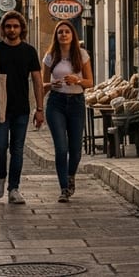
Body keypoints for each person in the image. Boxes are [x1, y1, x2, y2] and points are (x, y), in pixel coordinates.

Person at [0, 11, 45, 204]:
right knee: (0, 146)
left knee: (17, 149)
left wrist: (40, 109)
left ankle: (14, 188)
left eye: (15, 26)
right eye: (8, 26)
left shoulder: (29, 51)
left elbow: (37, 81)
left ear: (22, 28)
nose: (12, 29)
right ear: (3, 29)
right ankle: (1, 176)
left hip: (21, 108)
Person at [43, 20, 93, 203]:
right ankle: (64, 188)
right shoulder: (50, 56)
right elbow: (42, 84)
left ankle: (71, 175)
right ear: (56, 36)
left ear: (73, 35)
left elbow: (90, 82)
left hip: (76, 103)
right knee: (61, 148)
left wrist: (77, 81)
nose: (63, 35)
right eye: (60, 32)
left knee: (76, 150)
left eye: (67, 32)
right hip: (56, 103)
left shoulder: (81, 55)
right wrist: (51, 85)